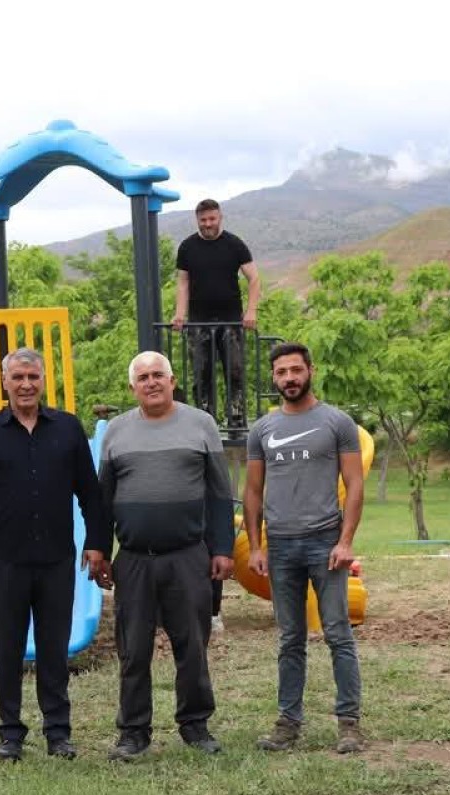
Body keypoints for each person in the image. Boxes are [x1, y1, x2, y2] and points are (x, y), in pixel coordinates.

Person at [0, 348, 111, 763]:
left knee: (53, 649)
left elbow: (91, 493)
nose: (25, 385)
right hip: (3, 562)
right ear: (4, 382)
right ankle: (10, 733)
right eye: (18, 377)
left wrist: (97, 542)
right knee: (6, 650)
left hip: (57, 560)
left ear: (43, 380)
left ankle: (58, 732)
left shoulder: (68, 428)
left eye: (33, 377)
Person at [96, 350, 234, 761]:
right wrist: (100, 550)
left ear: (172, 381)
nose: (152, 382)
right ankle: (133, 732)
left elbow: (219, 494)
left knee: (192, 646)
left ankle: (195, 725)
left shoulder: (201, 424)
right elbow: (103, 500)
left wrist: (223, 549)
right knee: (133, 650)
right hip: (134, 559)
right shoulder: (116, 431)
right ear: (132, 387)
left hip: (188, 556)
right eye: (143, 378)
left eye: (158, 375)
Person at [243, 342, 366, 754]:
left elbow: (354, 484)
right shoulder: (262, 429)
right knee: (290, 638)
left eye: (296, 370)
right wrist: (256, 546)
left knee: (338, 633)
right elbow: (253, 491)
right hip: (280, 546)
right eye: (281, 372)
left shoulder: (337, 422)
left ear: (310, 370)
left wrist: (345, 541)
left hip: (325, 542)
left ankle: (349, 724)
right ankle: (287, 724)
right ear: (273, 377)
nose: (289, 378)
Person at [172, 198, 262, 432]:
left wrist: (251, 311)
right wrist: (179, 314)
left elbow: (254, 278)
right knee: (201, 374)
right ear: (197, 220)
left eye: (212, 219)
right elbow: (183, 283)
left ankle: (237, 420)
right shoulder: (187, 247)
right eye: (203, 220)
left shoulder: (235, 244)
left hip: (231, 321)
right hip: (198, 322)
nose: (208, 224)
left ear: (220, 217)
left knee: (235, 370)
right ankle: (206, 422)